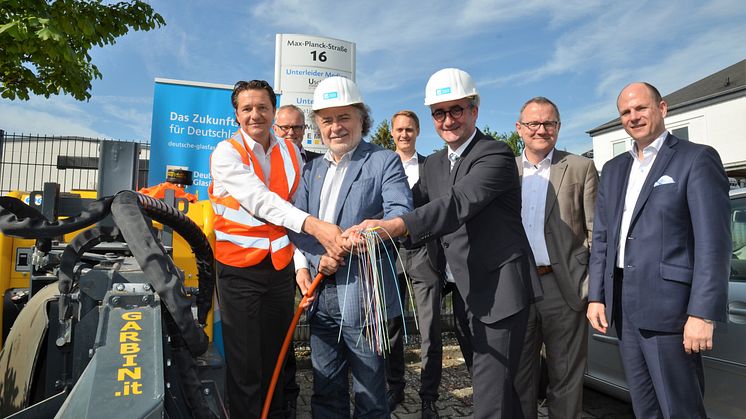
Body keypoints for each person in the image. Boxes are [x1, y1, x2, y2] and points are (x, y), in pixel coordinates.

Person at [348, 68, 542, 419]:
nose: (447, 119)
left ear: (474, 111)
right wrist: (357, 224)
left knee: (491, 396)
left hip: (499, 292)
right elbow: (411, 203)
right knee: (502, 390)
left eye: (456, 110)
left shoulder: (494, 154)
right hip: (465, 295)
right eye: (439, 112)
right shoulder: (435, 163)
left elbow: (455, 204)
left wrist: (395, 225)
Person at [587, 82, 731, 418]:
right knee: (643, 407)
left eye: (641, 108)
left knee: (680, 409)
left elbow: (714, 242)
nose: (633, 117)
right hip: (623, 306)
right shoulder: (613, 170)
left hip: (671, 311)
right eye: (626, 112)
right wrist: (597, 295)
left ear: (662, 109)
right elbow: (604, 238)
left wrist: (702, 312)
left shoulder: (696, 159)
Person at [208, 79, 345, 419]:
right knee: (246, 366)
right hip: (238, 271)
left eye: (262, 107)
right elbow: (261, 201)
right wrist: (315, 226)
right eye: (247, 109)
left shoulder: (290, 152)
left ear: (273, 109)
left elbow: (295, 207)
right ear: (236, 115)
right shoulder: (227, 153)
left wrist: (302, 263)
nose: (255, 115)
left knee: (277, 358)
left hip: (279, 268)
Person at [289, 76, 413, 418]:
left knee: (370, 392)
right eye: (327, 120)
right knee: (325, 388)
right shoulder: (311, 169)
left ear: (362, 118)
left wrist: (373, 231)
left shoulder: (384, 161)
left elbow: (400, 212)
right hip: (321, 294)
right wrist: (315, 259)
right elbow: (297, 224)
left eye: (344, 117)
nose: (336, 127)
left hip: (364, 295)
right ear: (318, 126)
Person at [513, 97, 598, 419]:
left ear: (559, 128)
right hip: (518, 287)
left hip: (563, 288)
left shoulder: (580, 167)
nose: (541, 130)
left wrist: (591, 287)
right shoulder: (505, 171)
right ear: (519, 128)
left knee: (565, 378)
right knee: (519, 378)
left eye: (549, 123)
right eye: (533, 123)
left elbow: (595, 232)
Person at [385, 110, 445, 418]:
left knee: (430, 328)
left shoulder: (432, 166)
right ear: (392, 132)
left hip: (424, 254)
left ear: (418, 132)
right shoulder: (381, 164)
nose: (404, 134)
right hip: (390, 254)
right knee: (391, 325)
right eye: (399, 129)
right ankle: (394, 386)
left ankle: (429, 396)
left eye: (410, 129)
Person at [273, 103, 320, 418]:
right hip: (275, 258)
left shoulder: (318, 165)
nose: (290, 134)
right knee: (280, 330)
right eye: (284, 128)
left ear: (305, 130)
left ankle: (325, 389)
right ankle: (288, 394)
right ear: (275, 129)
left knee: (320, 326)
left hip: (314, 257)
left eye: (297, 128)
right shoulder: (264, 164)